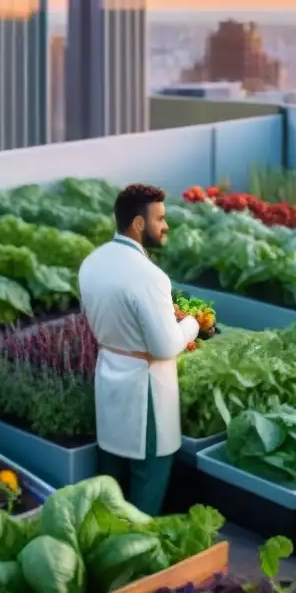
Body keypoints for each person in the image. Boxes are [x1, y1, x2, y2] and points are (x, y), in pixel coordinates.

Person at [78, 183, 199, 514]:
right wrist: (191, 324)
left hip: (109, 373)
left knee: (111, 478)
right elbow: (164, 346)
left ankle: (106, 544)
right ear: (138, 224)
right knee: (149, 478)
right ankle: (141, 556)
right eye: (160, 218)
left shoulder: (92, 262)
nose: (166, 226)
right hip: (145, 388)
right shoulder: (151, 276)